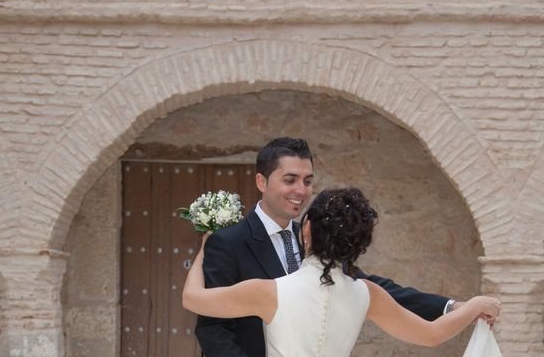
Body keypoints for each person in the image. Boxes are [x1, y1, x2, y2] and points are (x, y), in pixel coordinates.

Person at [194, 137, 470, 357]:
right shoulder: (227, 242)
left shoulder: (321, 239)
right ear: (261, 182)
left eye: (308, 181)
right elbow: (213, 330)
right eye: (290, 180)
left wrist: (448, 306)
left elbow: (374, 287)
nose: (301, 191)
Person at [184, 187, 501, 357]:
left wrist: (203, 250)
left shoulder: (268, 291)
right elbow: (432, 335)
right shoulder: (368, 294)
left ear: (306, 229)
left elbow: (193, 299)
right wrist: (474, 305)